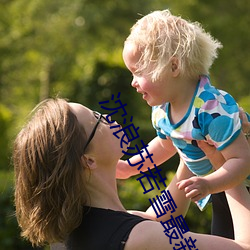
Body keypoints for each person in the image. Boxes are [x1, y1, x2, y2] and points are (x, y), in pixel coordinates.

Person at [13, 98, 250, 250]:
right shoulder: (139, 238)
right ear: (88, 160)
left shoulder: (80, 232)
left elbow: (163, 217)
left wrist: (191, 135)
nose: (108, 118)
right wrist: (226, 165)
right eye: (97, 119)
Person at [120, 9, 250, 239]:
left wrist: (209, 184)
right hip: (220, 189)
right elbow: (166, 145)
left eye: (138, 72)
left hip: (239, 186)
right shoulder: (162, 109)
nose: (133, 82)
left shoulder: (211, 109)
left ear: (173, 67)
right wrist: (130, 167)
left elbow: (242, 160)